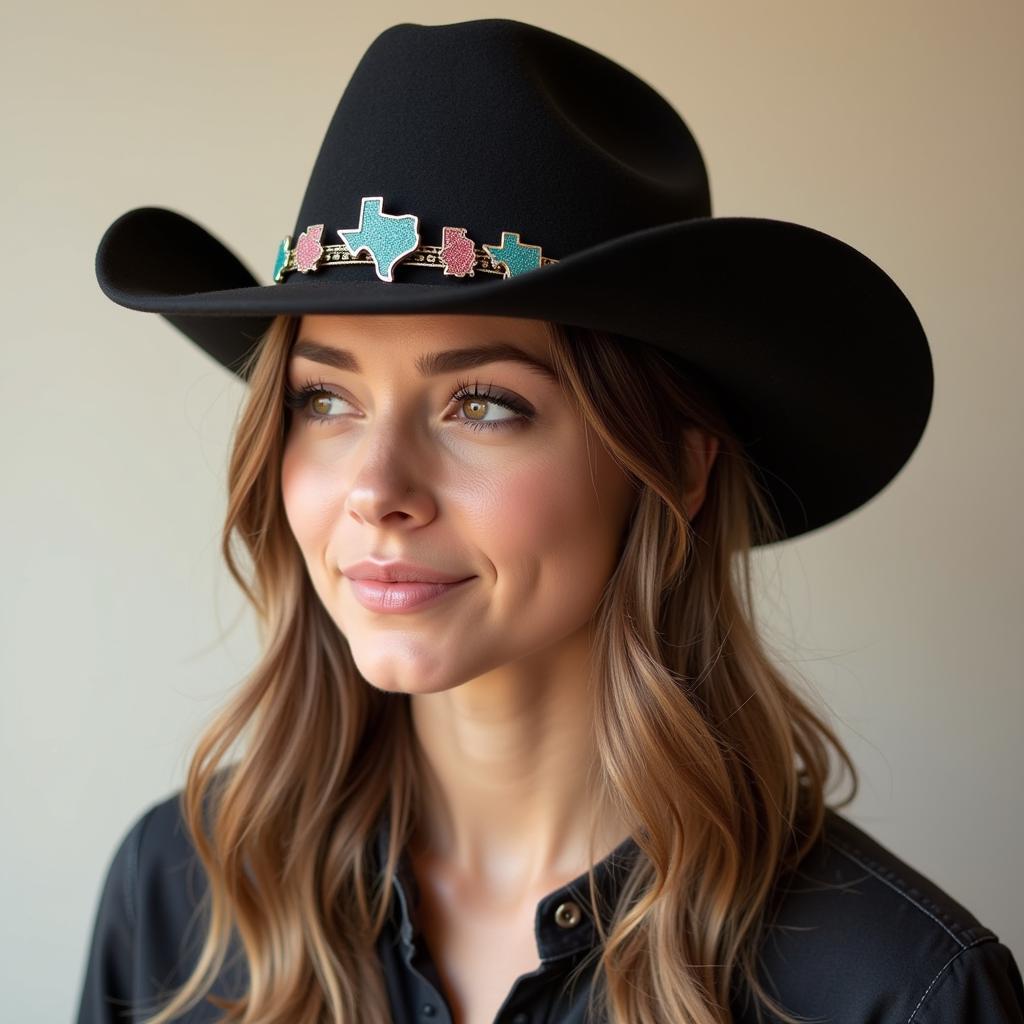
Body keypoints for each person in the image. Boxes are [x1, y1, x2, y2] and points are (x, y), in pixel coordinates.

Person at [76, 16, 1023, 1024]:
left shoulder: (893, 991)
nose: (375, 486)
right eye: (325, 400)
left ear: (675, 469)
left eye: (480, 403)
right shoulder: (182, 895)